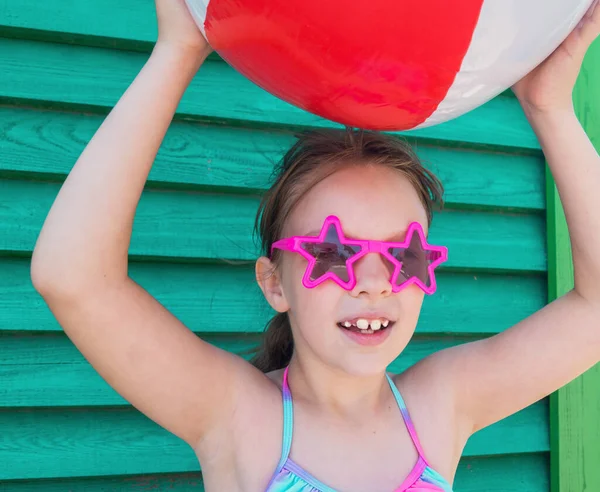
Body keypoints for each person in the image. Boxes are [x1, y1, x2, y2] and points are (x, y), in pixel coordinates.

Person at [30, 1, 600, 490]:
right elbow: (73, 278)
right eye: (334, 252)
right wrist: (176, 53)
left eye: (404, 256)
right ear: (274, 282)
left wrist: (551, 109)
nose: (375, 281)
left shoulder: (439, 406)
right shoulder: (234, 415)